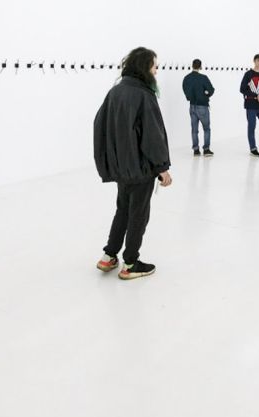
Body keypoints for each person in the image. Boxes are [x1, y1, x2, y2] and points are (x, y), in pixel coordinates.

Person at [93, 47, 172, 280]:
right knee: (138, 215)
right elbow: (152, 136)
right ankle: (130, 263)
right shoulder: (144, 94)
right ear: (144, 67)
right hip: (141, 169)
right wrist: (162, 168)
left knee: (123, 210)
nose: (156, 71)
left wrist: (111, 161)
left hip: (122, 167)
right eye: (154, 66)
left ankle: (108, 256)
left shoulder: (115, 91)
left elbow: (100, 126)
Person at [182, 59, 215, 157]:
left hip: (192, 106)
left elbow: (185, 89)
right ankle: (206, 150)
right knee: (206, 129)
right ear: (200, 67)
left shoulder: (186, 78)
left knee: (194, 130)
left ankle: (196, 150)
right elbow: (211, 90)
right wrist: (206, 93)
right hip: (202, 106)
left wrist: (189, 97)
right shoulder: (203, 78)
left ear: (192, 65)